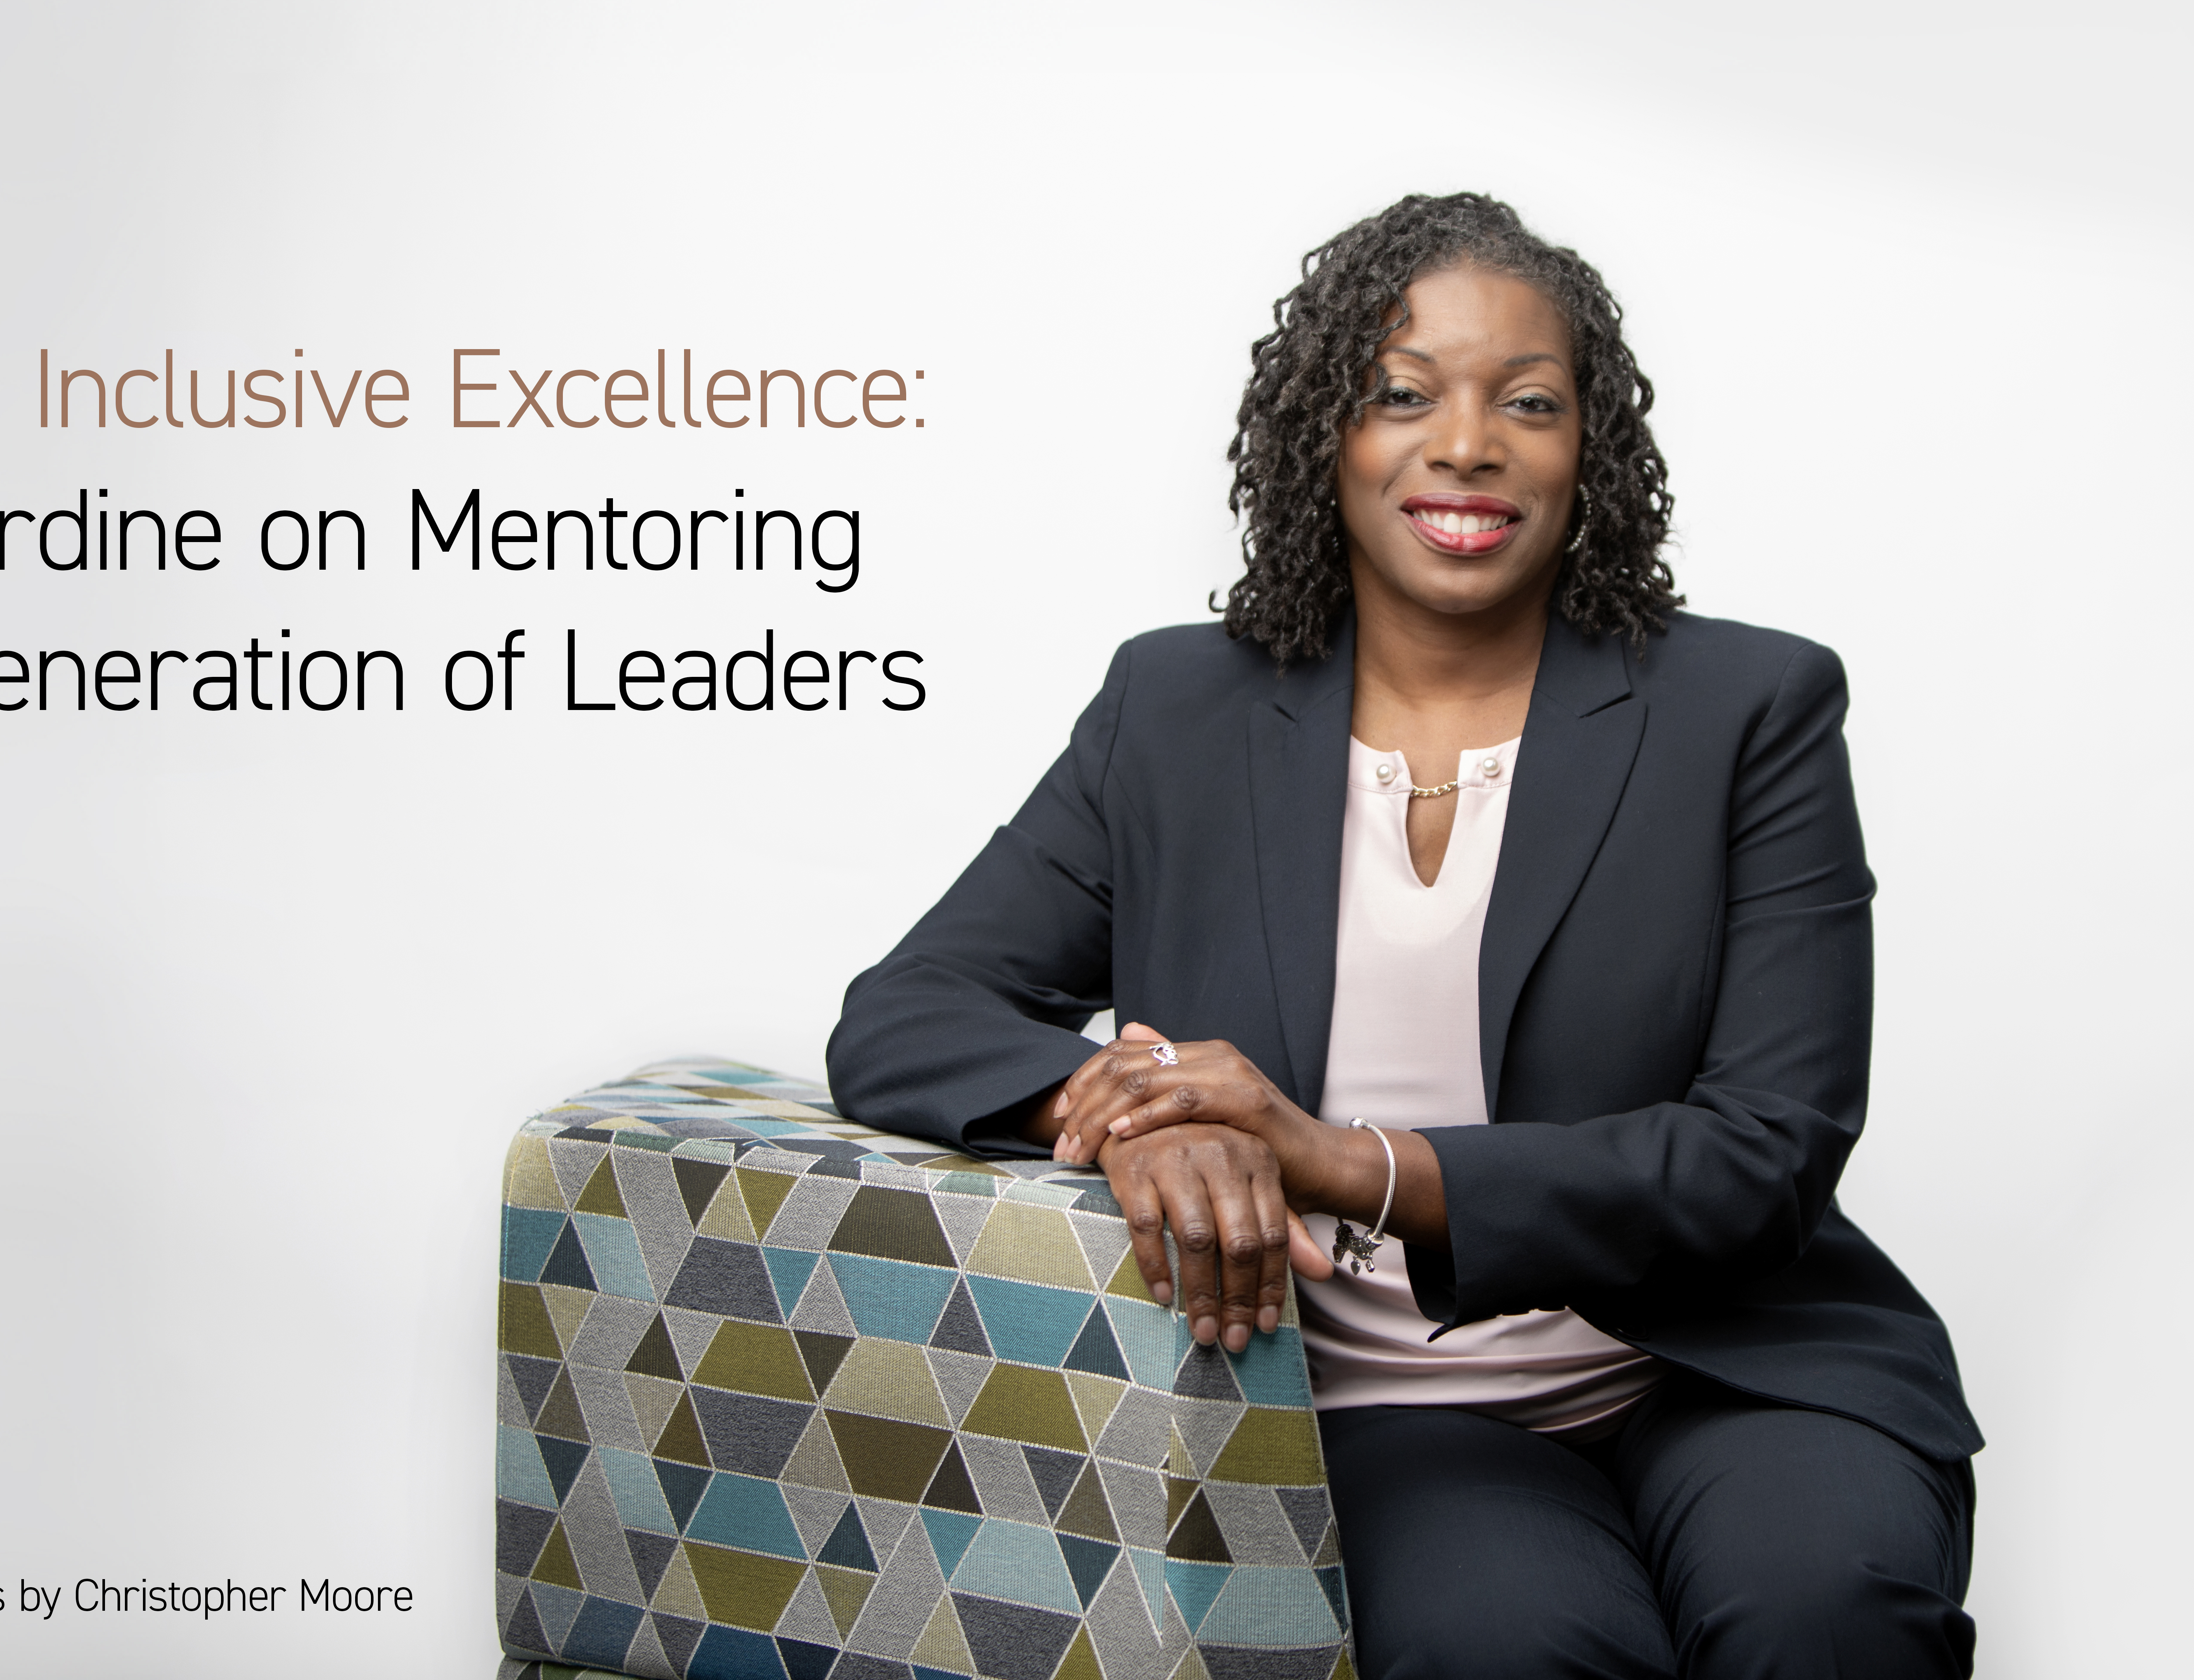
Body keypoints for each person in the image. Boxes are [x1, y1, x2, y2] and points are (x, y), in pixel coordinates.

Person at [826, 193, 1977, 1677]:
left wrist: (1337, 1156)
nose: (1468, 443)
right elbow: (909, 1005)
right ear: (1329, 437)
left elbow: (1767, 1147)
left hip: (1728, 1363)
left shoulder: (1745, 713)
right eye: (1403, 392)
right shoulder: (1180, 713)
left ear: (1592, 452)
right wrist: (1128, 1112)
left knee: (1824, 1609)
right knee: (1515, 1650)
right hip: (1389, 1409)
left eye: (1531, 402)